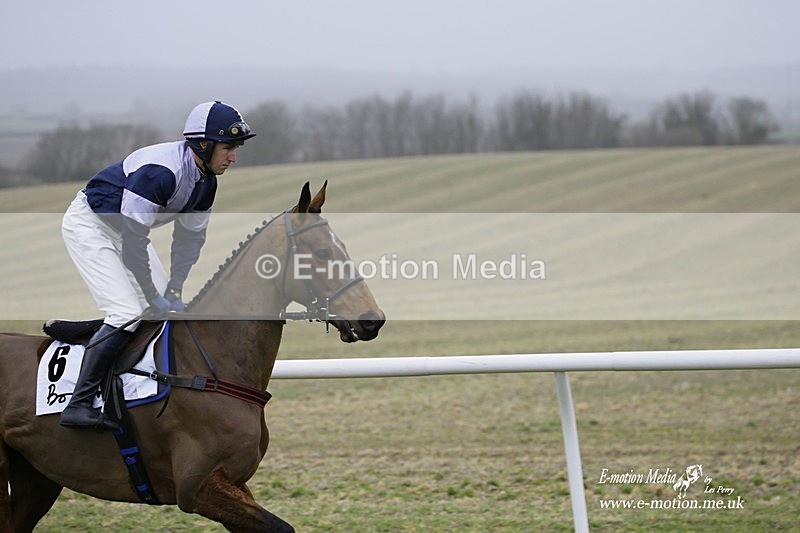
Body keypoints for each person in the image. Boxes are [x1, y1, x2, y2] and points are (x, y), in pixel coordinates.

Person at [59, 101, 256, 430]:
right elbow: (135, 244)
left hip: (127, 233)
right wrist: (153, 294)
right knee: (126, 312)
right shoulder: (161, 173)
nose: (233, 157)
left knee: (165, 313)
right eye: (228, 148)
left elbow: (188, 242)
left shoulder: (206, 182)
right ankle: (78, 403)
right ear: (203, 144)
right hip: (90, 226)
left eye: (235, 149)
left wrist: (174, 288)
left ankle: (135, 389)